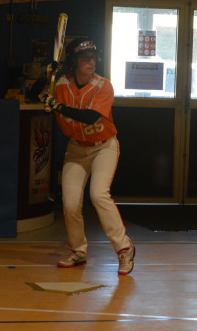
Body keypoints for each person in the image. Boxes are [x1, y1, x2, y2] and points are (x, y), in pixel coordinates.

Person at [43, 37, 135, 274]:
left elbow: (91, 117)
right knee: (70, 202)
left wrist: (58, 106)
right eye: (85, 58)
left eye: (93, 57)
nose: (91, 62)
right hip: (76, 148)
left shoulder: (104, 86)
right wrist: (48, 73)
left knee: (98, 194)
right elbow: (36, 93)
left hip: (104, 146)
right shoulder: (61, 84)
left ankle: (124, 249)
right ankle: (77, 251)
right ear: (74, 62)